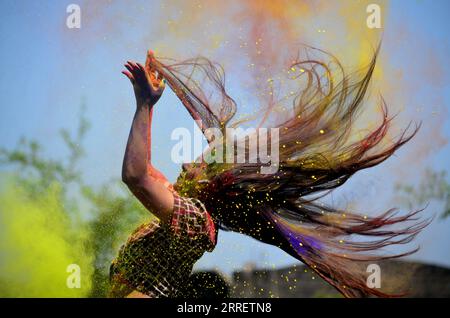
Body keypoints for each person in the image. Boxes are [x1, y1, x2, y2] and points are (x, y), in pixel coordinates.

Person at [111, 46, 428, 298]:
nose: (186, 164)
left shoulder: (197, 224)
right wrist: (153, 99)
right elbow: (146, 171)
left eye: (198, 164)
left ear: (216, 183)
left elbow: (136, 176)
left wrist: (145, 105)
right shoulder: (184, 204)